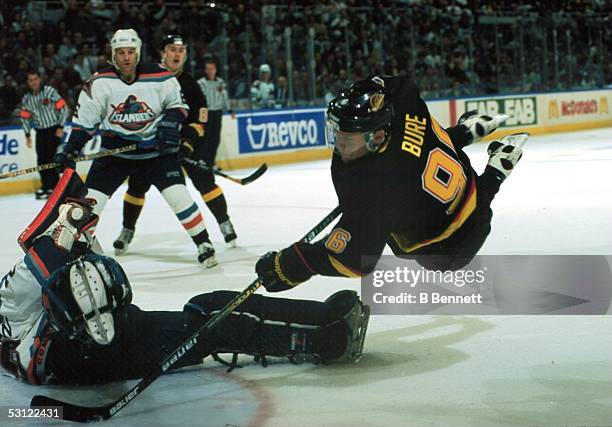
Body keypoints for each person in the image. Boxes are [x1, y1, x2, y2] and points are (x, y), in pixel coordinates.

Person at [0, 169, 370, 385]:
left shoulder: (26, 295)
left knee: (209, 309)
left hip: (90, 344)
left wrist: (71, 228)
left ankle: (320, 320)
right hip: (83, 354)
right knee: (216, 323)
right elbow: (49, 265)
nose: (91, 215)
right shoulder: (22, 289)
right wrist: (66, 228)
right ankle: (327, 340)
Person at [255, 75, 524, 292]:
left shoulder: (378, 189)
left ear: (377, 135)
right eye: (338, 130)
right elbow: (390, 87)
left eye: (351, 136)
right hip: (436, 174)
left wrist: (295, 264)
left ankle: (497, 170)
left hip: (453, 246)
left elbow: (353, 261)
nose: (340, 141)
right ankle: (465, 133)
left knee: (451, 228)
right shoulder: (405, 98)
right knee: (423, 146)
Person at [53, 29, 217, 266]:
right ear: (113, 54)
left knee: (178, 196)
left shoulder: (160, 76)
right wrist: (69, 148)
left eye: (131, 52)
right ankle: (83, 246)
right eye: (121, 53)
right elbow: (84, 124)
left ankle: (204, 242)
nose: (126, 57)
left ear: (138, 53)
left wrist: (170, 125)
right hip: (116, 151)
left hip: (156, 152)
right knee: (88, 203)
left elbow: (178, 106)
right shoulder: (98, 82)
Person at [113, 36, 238, 258]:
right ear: (163, 53)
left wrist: (187, 144)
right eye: (172, 49)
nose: (177, 54)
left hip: (183, 146)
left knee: (205, 181)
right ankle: (127, 229)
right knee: (137, 185)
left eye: (181, 50)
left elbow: (200, 120)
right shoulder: (147, 79)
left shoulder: (192, 85)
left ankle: (224, 222)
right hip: (153, 147)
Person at [19, 70, 69, 199]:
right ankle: (45, 186)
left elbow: (64, 108)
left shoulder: (49, 91)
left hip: (53, 129)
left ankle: (55, 186)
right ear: (27, 82)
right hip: (40, 131)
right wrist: (27, 135)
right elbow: (25, 118)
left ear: (39, 79)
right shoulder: (27, 99)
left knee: (53, 158)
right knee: (41, 159)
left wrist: (61, 126)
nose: (34, 82)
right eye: (31, 80)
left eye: (35, 79)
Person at [196, 57, 236, 167]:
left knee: (215, 138)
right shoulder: (201, 83)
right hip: (206, 113)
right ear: (205, 70)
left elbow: (224, 97)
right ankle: (202, 160)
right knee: (205, 138)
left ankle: (211, 162)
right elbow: (198, 98)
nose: (210, 71)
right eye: (208, 69)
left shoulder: (220, 82)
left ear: (215, 70)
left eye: (212, 69)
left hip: (217, 112)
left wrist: (230, 110)